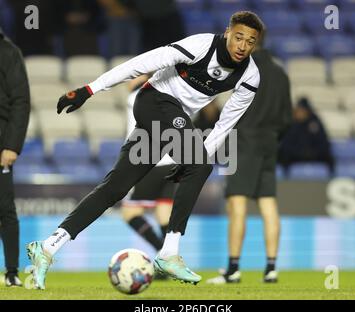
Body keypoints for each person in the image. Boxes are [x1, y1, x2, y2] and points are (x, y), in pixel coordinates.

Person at [26, 11, 263, 290]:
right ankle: (168, 253)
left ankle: (47, 247)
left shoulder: (250, 77)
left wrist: (194, 161)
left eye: (250, 41)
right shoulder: (200, 46)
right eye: (238, 37)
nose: (242, 46)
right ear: (227, 33)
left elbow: (224, 125)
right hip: (153, 101)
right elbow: (141, 64)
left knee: (113, 189)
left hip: (169, 121)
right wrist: (90, 89)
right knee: (200, 163)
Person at [207, 33, 292, 284]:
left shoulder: (246, 70)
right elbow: (287, 118)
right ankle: (271, 268)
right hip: (270, 143)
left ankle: (233, 269)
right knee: (268, 204)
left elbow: (234, 109)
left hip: (244, 142)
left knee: (237, 205)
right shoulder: (281, 73)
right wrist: (274, 137)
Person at [121, 75, 175, 254]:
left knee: (130, 213)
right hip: (174, 160)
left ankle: (161, 250)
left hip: (149, 161)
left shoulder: (136, 96)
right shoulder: (171, 96)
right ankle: (168, 258)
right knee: (164, 212)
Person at [0, 27, 30, 287]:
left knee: (5, 209)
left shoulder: (8, 52)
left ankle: (11, 272)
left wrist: (12, 145)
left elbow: (21, 101)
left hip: (0, 145)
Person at [278, 97, 335, 175]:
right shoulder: (291, 123)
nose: (301, 113)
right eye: (299, 110)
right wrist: (299, 152)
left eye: (303, 110)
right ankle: (286, 179)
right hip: (296, 155)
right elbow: (286, 144)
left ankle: (331, 178)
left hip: (314, 155)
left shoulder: (315, 123)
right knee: (282, 156)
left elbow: (323, 143)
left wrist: (311, 153)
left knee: (329, 157)